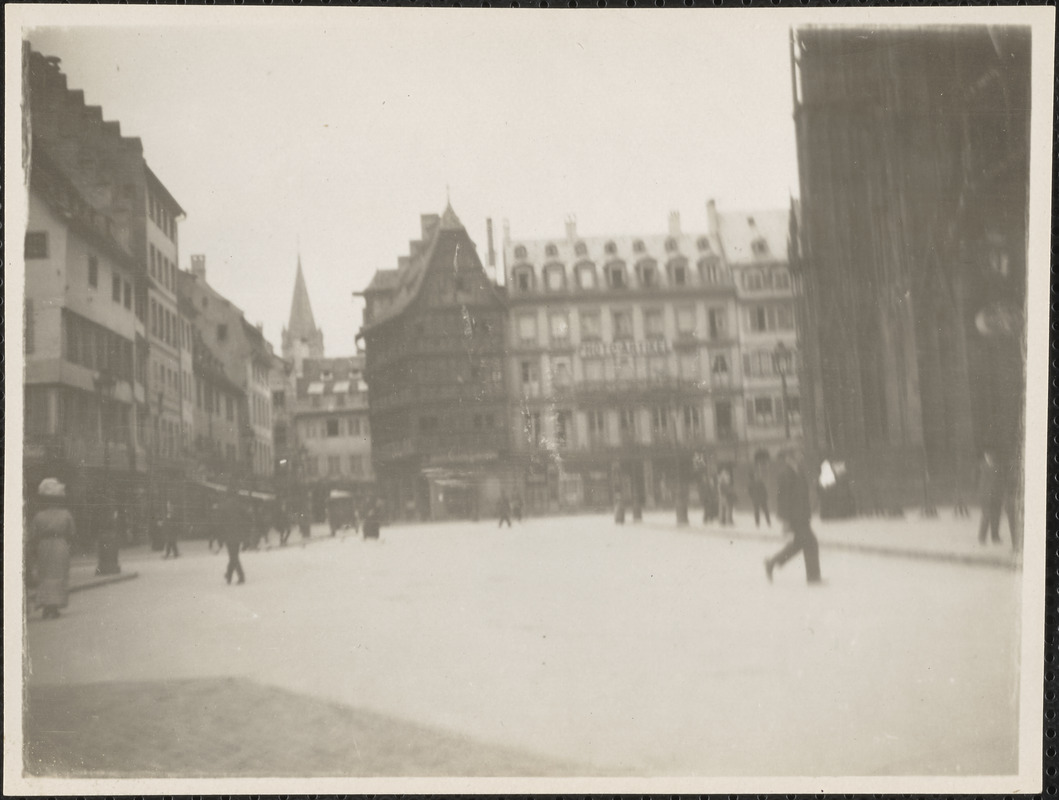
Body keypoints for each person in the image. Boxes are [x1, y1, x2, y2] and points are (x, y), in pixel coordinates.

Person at [764, 449, 822, 585]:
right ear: (789, 458)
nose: (800, 456)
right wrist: (786, 520)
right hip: (794, 517)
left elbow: (803, 494)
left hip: (803, 515)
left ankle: (772, 563)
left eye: (800, 454)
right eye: (797, 455)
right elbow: (782, 498)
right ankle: (813, 577)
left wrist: (809, 511)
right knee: (811, 542)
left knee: (800, 544)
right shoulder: (785, 474)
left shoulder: (799, 472)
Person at [29, 478, 75, 619]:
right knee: (59, 575)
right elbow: (72, 532)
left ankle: (47, 606)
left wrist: (34, 549)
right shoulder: (66, 515)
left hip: (44, 546)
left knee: (45, 575)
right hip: (60, 545)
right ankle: (54, 606)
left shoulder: (38, 516)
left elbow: (33, 535)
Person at [218, 485, 246, 585]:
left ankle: (240, 576)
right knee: (234, 556)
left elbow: (220, 523)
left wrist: (220, 538)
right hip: (238, 534)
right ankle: (229, 575)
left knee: (233, 556)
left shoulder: (224, 506)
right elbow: (245, 519)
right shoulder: (239, 505)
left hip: (228, 534)